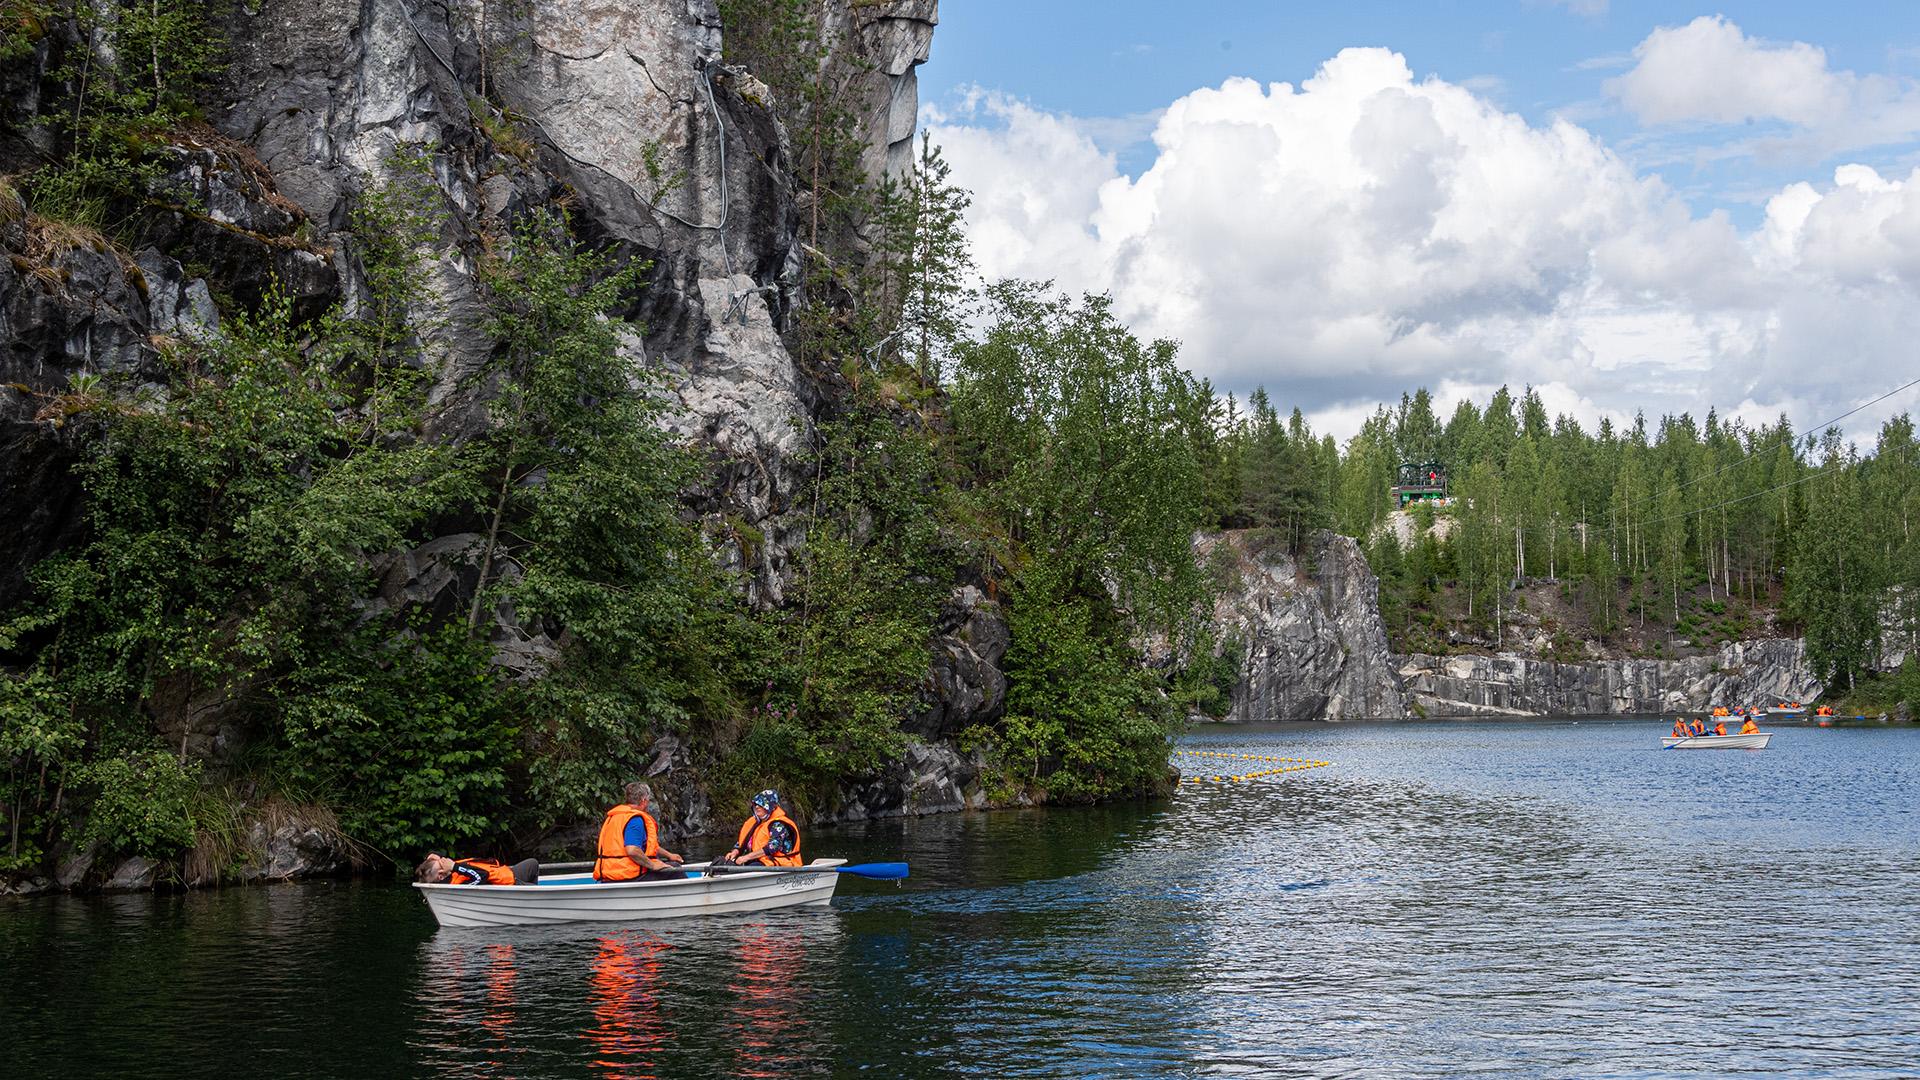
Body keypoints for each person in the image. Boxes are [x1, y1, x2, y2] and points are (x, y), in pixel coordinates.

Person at [594, 781, 686, 882]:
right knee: (676, 869)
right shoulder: (635, 820)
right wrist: (652, 865)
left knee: (665, 863)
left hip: (610, 874)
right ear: (644, 800)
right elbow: (632, 850)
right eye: (648, 800)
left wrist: (669, 855)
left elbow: (647, 844)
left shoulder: (615, 817)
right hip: (627, 875)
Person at [715, 790, 803, 868]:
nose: (757, 807)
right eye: (756, 804)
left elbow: (772, 847)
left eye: (761, 805)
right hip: (759, 861)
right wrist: (734, 852)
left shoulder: (778, 824)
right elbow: (742, 843)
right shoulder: (755, 822)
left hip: (781, 862)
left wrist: (746, 858)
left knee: (750, 866)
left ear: (771, 806)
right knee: (720, 862)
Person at [416, 853, 539, 885]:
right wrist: (454, 866)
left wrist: (431, 856)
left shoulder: (450, 872)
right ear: (441, 876)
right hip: (509, 884)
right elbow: (482, 876)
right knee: (536, 891)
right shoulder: (456, 884)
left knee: (532, 863)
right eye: (442, 863)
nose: (446, 860)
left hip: (504, 872)